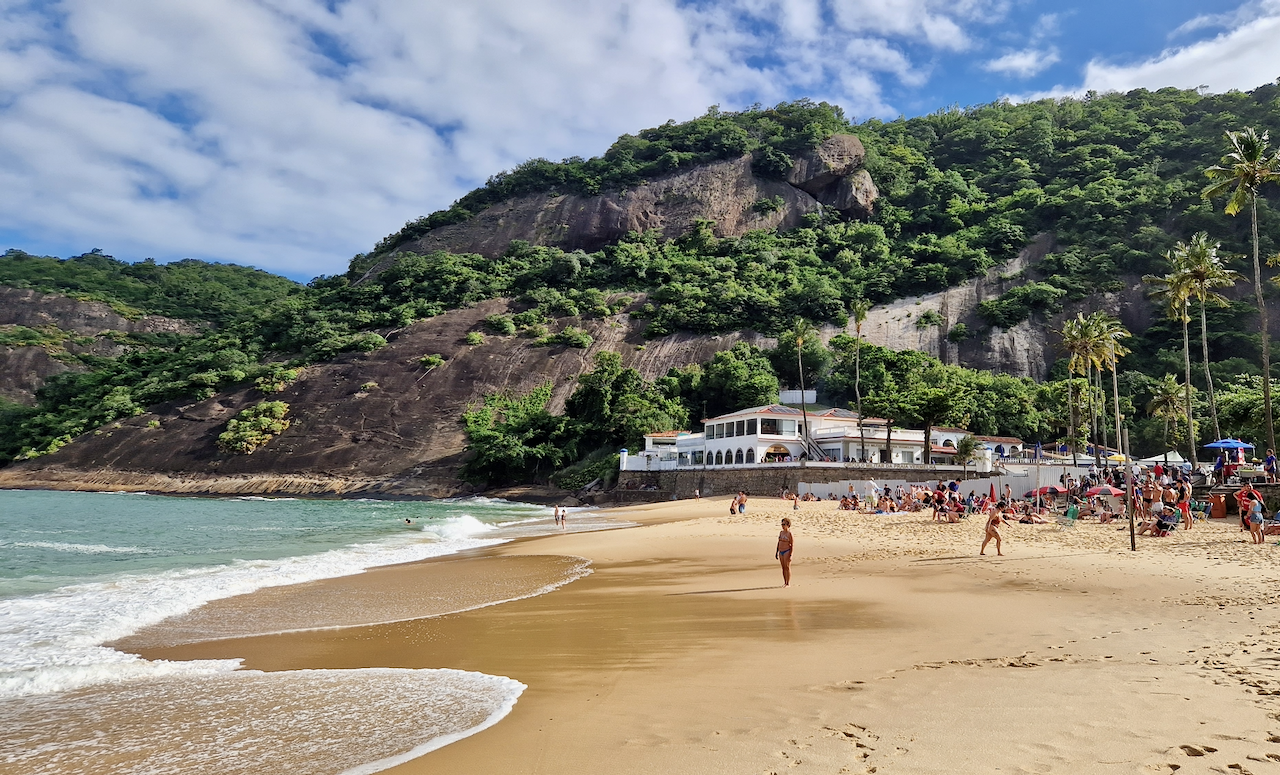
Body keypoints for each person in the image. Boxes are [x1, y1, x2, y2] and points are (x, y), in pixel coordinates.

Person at [776, 518, 794, 586]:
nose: (782, 526)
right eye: (782, 524)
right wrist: (776, 551)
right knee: (783, 567)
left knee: (787, 567)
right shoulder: (781, 532)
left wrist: (791, 555)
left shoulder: (789, 534)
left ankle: (788, 583)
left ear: (788, 525)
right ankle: (785, 582)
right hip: (781, 551)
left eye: (784, 524)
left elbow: (792, 544)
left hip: (787, 551)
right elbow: (779, 542)